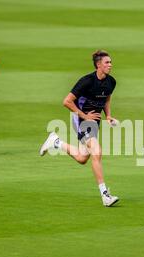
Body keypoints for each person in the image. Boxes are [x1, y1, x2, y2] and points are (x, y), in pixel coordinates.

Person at [39, 50, 120, 207]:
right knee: (97, 151)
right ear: (98, 65)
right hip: (81, 119)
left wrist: (108, 115)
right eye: (107, 62)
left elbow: (107, 98)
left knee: (83, 158)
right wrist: (84, 116)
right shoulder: (87, 81)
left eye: (110, 62)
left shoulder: (112, 82)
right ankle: (105, 195)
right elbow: (67, 101)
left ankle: (55, 142)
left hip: (93, 122)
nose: (110, 65)